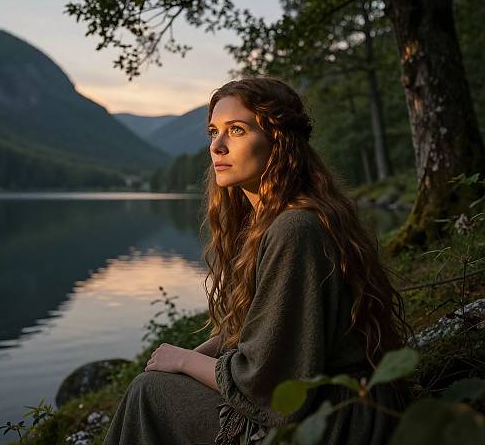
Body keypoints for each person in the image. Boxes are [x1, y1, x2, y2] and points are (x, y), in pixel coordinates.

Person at [102, 76, 412, 445]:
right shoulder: (268, 224)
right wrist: (188, 356)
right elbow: (258, 328)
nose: (217, 146)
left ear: (278, 141)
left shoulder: (294, 228)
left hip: (338, 422)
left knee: (148, 394)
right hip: (326, 407)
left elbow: (270, 385)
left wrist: (185, 362)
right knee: (155, 383)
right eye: (213, 132)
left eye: (236, 130)